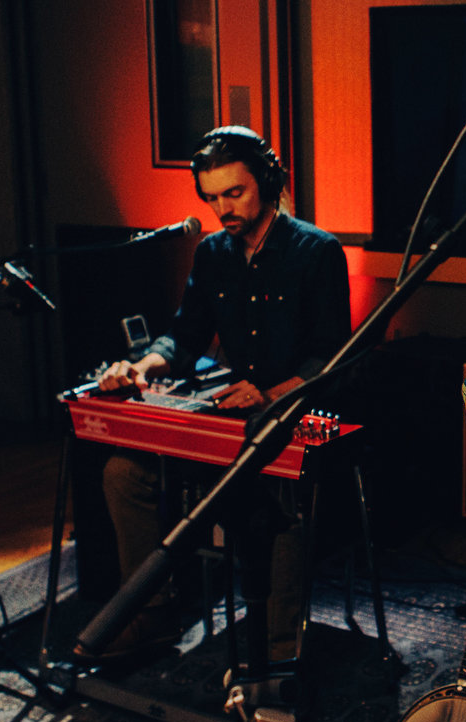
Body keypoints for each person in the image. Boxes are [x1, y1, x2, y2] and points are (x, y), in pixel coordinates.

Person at [88, 125, 352, 663]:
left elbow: (331, 359)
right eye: (211, 198)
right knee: (124, 473)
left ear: (268, 183)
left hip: (291, 417)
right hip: (231, 420)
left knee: (278, 490)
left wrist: (270, 394)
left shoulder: (318, 251)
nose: (222, 208)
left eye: (234, 193)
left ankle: (277, 652)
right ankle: (153, 615)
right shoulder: (212, 254)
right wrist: (140, 367)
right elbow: (183, 337)